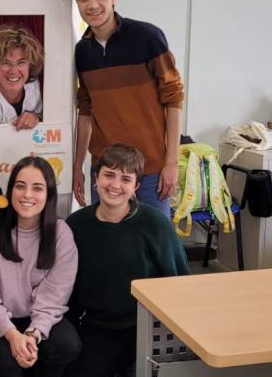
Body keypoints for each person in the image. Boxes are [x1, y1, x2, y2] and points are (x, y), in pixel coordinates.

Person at [70, 0, 184, 215]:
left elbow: (174, 99)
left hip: (150, 169)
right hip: (105, 169)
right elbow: (85, 111)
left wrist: (171, 163)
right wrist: (77, 166)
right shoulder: (82, 51)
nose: (92, 5)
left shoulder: (147, 37)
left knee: (155, 247)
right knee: (107, 244)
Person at [64, 144, 189, 377]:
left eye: (125, 179)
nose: (115, 185)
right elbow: (65, 286)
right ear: (96, 178)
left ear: (136, 187)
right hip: (96, 327)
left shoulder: (155, 224)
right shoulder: (76, 225)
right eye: (109, 175)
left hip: (147, 328)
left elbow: (180, 280)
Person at [0, 156, 80, 376]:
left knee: (65, 345)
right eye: (20, 186)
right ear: (10, 189)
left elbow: (55, 295)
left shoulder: (60, 234)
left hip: (38, 316)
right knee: (6, 363)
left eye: (37, 188)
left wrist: (33, 334)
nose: (27, 195)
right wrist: (12, 334)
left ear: (49, 194)